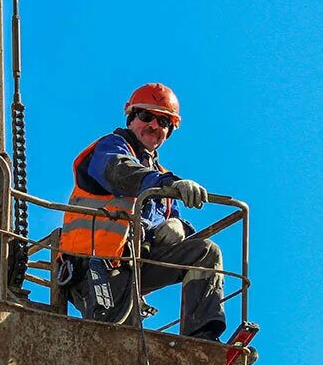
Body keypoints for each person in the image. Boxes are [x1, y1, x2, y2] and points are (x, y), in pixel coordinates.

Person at [57, 83, 226, 340]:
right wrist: (167, 184)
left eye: (165, 122)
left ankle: (202, 339)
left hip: (135, 265)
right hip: (93, 266)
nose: (155, 126)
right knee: (116, 338)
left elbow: (169, 215)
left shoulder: (161, 179)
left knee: (205, 252)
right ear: (131, 117)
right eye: (147, 117)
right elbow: (119, 172)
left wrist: (180, 227)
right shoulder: (111, 148)